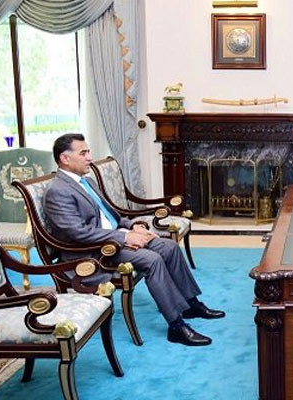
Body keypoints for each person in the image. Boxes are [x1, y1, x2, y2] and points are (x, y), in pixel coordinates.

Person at [44, 133, 224, 347]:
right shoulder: (58, 191)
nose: (89, 157)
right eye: (83, 153)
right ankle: (176, 326)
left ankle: (190, 304)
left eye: (88, 152)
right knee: (152, 260)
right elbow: (79, 233)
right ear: (65, 158)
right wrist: (125, 237)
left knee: (169, 247)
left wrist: (132, 226)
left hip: (113, 238)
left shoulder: (87, 181)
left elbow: (110, 214)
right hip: (93, 252)